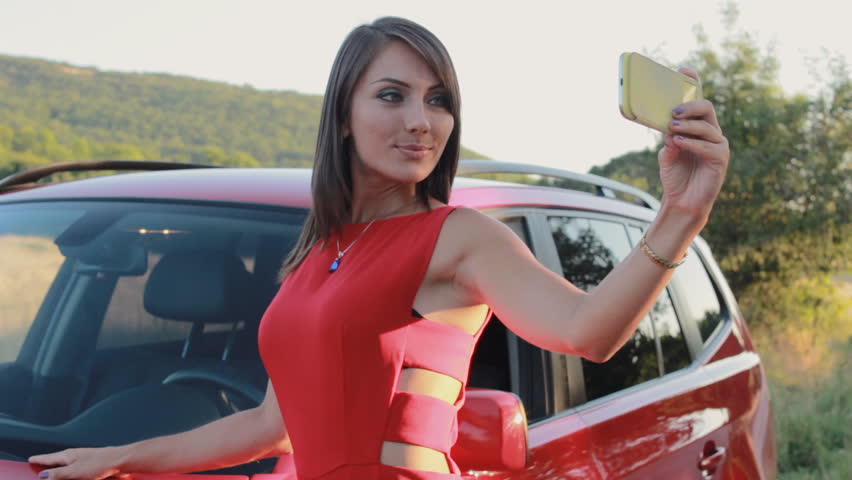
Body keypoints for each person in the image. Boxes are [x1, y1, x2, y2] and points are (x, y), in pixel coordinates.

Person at [29, 16, 730, 480]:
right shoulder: (312, 254)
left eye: (438, 100)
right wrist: (121, 458)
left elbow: (588, 331)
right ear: (342, 115)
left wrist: (681, 214)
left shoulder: (457, 237)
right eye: (392, 95)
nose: (421, 122)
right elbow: (272, 425)